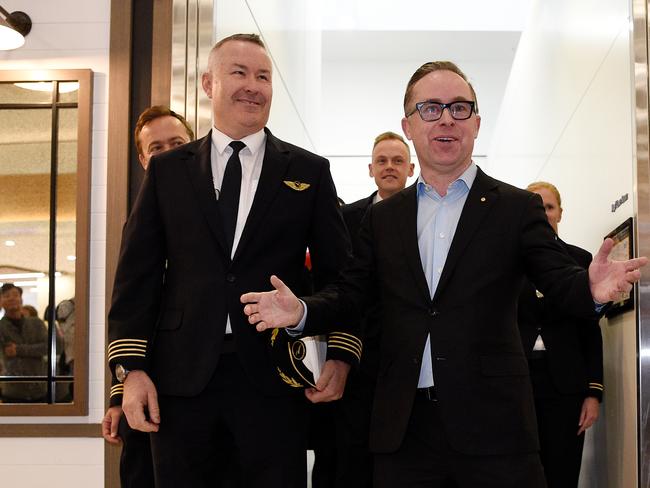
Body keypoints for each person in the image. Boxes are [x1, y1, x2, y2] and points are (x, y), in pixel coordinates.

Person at [240, 60, 647, 488]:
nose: (447, 118)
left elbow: (558, 280)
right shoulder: (383, 219)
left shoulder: (515, 207)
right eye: (430, 108)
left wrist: (591, 289)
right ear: (409, 125)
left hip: (496, 427)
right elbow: (351, 294)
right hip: (404, 427)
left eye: (459, 108)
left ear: (476, 123)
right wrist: (303, 310)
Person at [107, 33, 358, 488]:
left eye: (263, 76)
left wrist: (340, 355)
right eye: (239, 73)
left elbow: (341, 277)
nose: (253, 86)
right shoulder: (168, 171)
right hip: (180, 381)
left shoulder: (308, 171)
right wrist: (131, 372)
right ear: (208, 83)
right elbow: (135, 280)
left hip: (275, 379)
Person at [312, 131, 414, 488]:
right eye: (382, 161)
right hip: (356, 356)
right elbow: (335, 286)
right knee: (348, 456)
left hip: (411, 358)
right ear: (370, 169)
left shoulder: (431, 217)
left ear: (411, 168)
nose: (389, 167)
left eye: (397, 161)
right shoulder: (345, 219)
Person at [102, 105, 194, 488]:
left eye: (177, 143)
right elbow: (130, 304)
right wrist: (118, 392)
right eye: (156, 148)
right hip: (148, 380)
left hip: (204, 381)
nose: (168, 153)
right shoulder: (140, 219)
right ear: (143, 160)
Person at [519, 181, 603, 487]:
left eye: (549, 207)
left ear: (560, 213)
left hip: (566, 386)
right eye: (535, 208)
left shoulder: (580, 261)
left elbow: (589, 329)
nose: (543, 214)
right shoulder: (506, 262)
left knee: (563, 471)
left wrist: (594, 392)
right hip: (517, 383)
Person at [0, 283, 49, 403]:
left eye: (15, 295)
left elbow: (48, 348)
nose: (12, 298)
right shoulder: (1, 327)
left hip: (40, 389)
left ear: (21, 299)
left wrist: (18, 350)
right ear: (1, 301)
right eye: (6, 296)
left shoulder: (36, 323)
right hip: (12, 391)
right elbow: (5, 353)